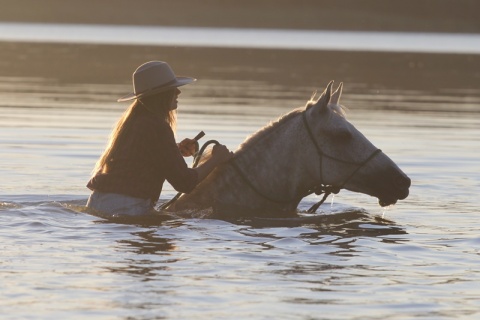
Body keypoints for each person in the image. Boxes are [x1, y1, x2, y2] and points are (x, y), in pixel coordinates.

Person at [86, 61, 233, 216]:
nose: (178, 92)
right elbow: (185, 183)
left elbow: (137, 158)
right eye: (172, 89)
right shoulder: (157, 126)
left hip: (97, 202)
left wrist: (174, 150)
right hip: (126, 208)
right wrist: (217, 158)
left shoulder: (133, 121)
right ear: (160, 95)